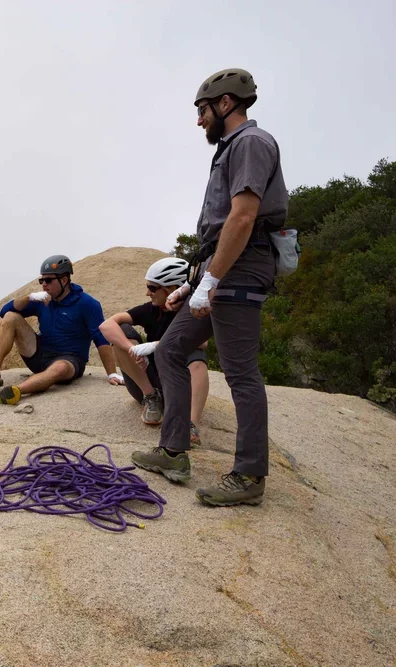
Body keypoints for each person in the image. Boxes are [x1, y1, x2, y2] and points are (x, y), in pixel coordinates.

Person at [131, 68, 288, 507]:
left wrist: (214, 280)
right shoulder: (231, 149)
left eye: (202, 110)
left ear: (225, 104)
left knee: (240, 372)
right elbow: (224, 231)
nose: (199, 120)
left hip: (242, 266)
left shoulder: (252, 143)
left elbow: (241, 218)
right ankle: (173, 451)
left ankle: (250, 475)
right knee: (169, 350)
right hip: (222, 267)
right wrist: (195, 284)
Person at [0, 255, 116, 405]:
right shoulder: (43, 300)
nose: (44, 285)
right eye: (42, 280)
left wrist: (112, 373)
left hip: (69, 360)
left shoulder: (87, 303)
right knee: (10, 317)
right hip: (40, 355)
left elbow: (100, 338)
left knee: (60, 367)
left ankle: (16, 391)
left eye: (48, 280)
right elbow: (4, 312)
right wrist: (30, 297)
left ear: (64, 280)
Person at [100, 257, 209, 444]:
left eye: (152, 288)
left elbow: (202, 343)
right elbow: (106, 326)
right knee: (123, 333)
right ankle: (151, 397)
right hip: (147, 382)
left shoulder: (191, 311)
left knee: (197, 355)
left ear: (171, 289)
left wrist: (155, 345)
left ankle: (191, 425)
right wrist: (133, 350)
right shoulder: (151, 310)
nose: (147, 293)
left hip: (177, 385)